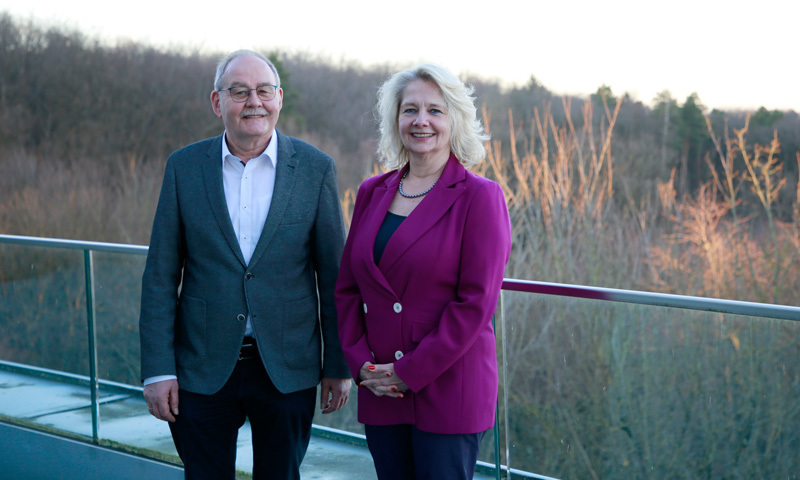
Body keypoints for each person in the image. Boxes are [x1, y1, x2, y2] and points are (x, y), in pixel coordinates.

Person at [139, 49, 351, 480]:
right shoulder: (184, 167)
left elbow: (334, 278)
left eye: (263, 90)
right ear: (218, 102)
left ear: (279, 98)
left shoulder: (315, 169)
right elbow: (160, 276)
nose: (253, 101)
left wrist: (337, 366)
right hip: (200, 367)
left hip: (287, 368)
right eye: (239, 91)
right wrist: (157, 370)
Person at [335, 64, 511, 480]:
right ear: (395, 121)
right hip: (380, 386)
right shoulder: (370, 192)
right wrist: (360, 365)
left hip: (449, 389)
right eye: (410, 109)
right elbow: (346, 289)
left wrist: (409, 372)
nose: (421, 121)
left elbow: (475, 305)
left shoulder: (480, 197)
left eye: (435, 110)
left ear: (455, 122)